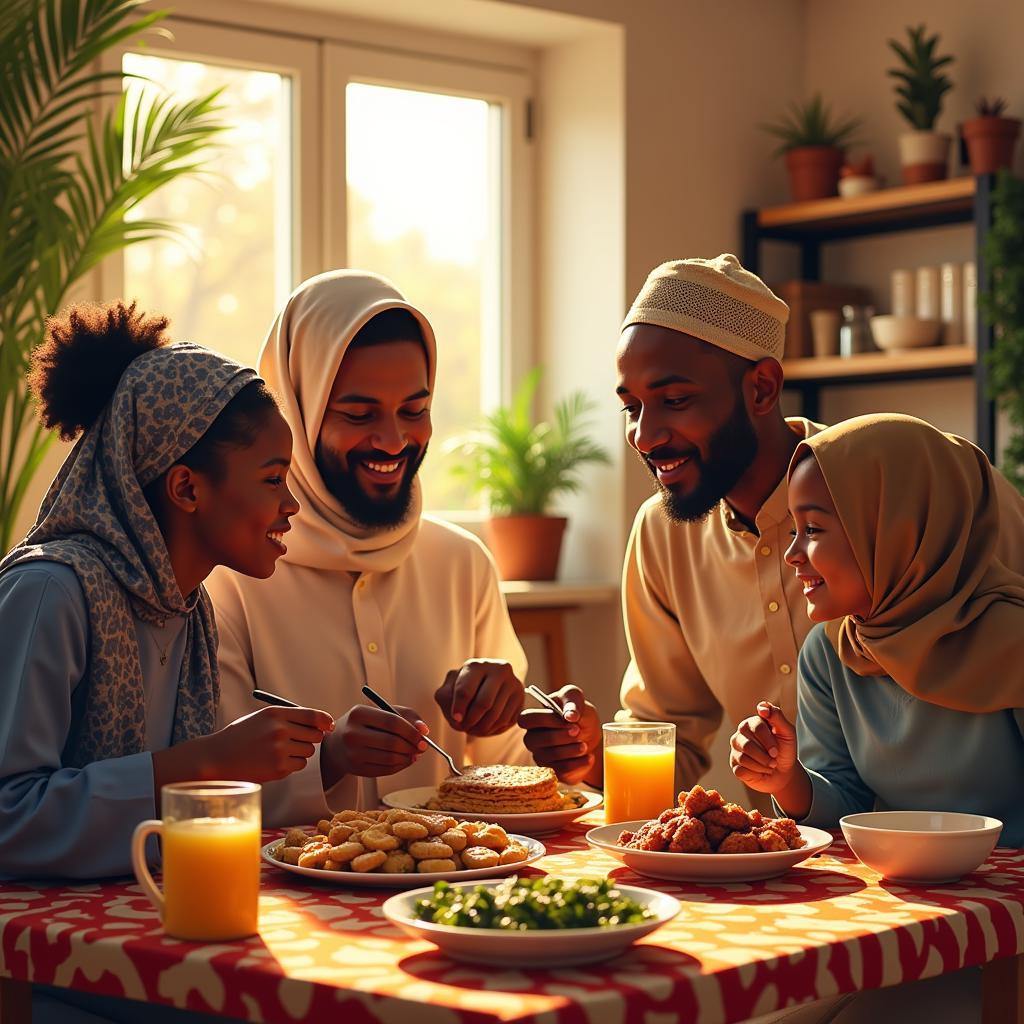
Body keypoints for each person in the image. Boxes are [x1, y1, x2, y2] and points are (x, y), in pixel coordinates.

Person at [0, 301, 335, 883]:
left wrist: (319, 756)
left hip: (156, 928)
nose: (291, 505)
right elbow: (8, 819)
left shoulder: (189, 610)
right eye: (272, 479)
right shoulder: (49, 592)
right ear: (186, 487)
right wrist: (205, 763)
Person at [206, 270, 529, 825]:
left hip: (441, 899)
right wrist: (326, 762)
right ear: (296, 414)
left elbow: (506, 777)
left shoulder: (462, 563)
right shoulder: (227, 577)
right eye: (358, 415)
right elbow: (209, 793)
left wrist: (519, 720)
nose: (394, 441)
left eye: (414, 410)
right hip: (284, 905)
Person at [521, 254, 819, 796]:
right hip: (786, 865)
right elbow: (668, 740)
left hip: (939, 843)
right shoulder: (663, 534)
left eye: (675, 400)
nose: (643, 435)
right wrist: (588, 755)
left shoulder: (877, 486)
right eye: (631, 407)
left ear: (762, 388)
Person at [730, 412, 1024, 842]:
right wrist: (786, 778)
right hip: (899, 887)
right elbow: (845, 801)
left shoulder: (1013, 641)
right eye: (794, 528)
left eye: (812, 528)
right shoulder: (830, 652)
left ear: (896, 528)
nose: (792, 553)